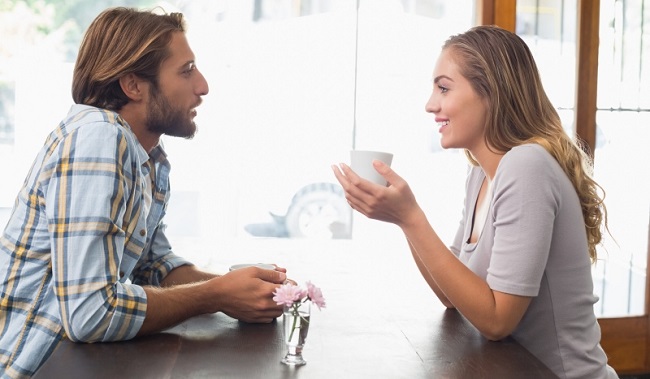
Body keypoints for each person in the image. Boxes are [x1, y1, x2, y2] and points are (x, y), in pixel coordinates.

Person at [0, 7, 288, 378]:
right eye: (186, 71)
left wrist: (235, 289)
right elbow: (90, 314)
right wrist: (216, 295)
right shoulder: (98, 138)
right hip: (30, 369)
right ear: (133, 85)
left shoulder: (145, 156)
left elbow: (153, 265)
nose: (202, 86)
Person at [333, 25, 618, 379]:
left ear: (490, 93)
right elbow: (452, 295)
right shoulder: (481, 175)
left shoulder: (527, 165)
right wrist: (400, 218)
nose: (430, 104)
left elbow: (496, 320)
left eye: (444, 88)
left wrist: (411, 218)